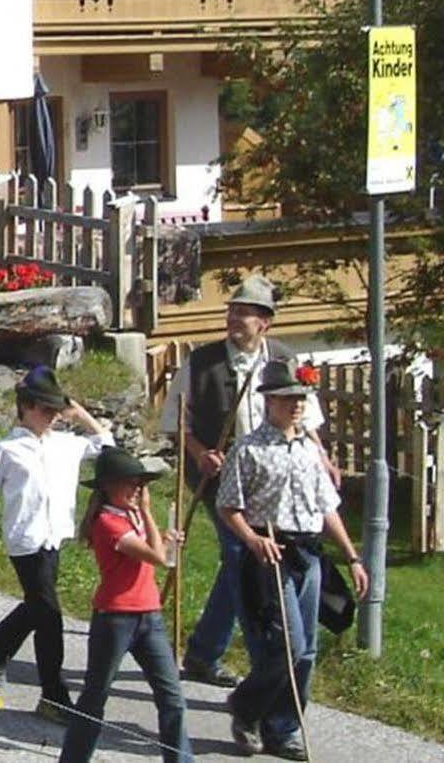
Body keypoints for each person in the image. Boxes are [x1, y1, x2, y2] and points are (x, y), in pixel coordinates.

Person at [158, 276, 335, 686]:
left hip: (275, 481)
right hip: (225, 478)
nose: (235, 319)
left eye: (245, 313)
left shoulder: (288, 361)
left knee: (238, 564)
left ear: (265, 323)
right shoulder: (202, 363)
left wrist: (322, 459)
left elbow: (307, 421)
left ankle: (205, 651)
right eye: (232, 311)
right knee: (242, 555)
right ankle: (263, 660)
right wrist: (201, 453)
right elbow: (176, 421)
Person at [216, 357, 368, 761]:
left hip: (308, 554)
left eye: (300, 399)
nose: (296, 406)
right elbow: (228, 506)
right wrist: (251, 539)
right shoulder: (248, 450)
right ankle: (246, 707)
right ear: (270, 403)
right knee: (289, 646)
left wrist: (352, 556)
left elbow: (327, 508)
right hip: (271, 551)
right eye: (287, 399)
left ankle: (282, 728)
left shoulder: (308, 451)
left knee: (308, 650)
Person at [0, 366, 115, 723]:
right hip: (25, 539)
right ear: (26, 407)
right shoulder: (5, 449)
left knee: (37, 604)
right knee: (49, 615)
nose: (52, 417)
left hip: (54, 535)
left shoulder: (67, 445)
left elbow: (107, 446)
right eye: (45, 410)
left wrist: (81, 414)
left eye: (56, 411)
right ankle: (53, 696)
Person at [57, 447, 191, 763]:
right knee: (95, 697)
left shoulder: (128, 517)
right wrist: (148, 515)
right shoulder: (107, 522)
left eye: (140, 484)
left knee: (172, 698)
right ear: (107, 487)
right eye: (129, 484)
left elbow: (161, 553)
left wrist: (168, 539)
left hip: (149, 615)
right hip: (116, 618)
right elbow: (156, 557)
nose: (137, 490)